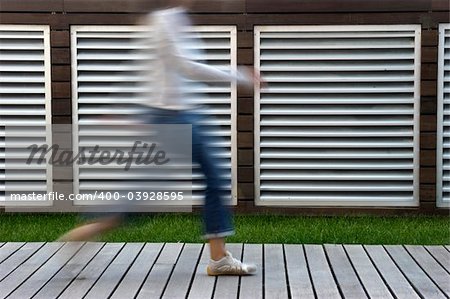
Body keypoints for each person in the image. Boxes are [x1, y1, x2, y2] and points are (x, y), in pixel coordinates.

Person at [140, 0, 263, 275]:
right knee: (138, 196)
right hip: (172, 116)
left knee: (215, 177)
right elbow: (187, 67)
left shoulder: (177, 19)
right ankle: (84, 233)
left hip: (187, 113)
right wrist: (238, 76)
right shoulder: (162, 21)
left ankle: (219, 258)